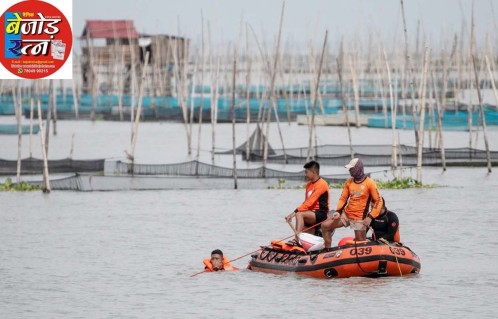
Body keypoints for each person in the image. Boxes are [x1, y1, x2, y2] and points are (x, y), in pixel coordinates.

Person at [321, 158, 383, 248]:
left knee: (360, 244)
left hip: (360, 218)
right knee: (325, 226)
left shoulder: (370, 183)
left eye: (351, 168)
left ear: (358, 168)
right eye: (349, 169)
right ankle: (327, 251)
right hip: (346, 214)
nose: (349, 170)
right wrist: (338, 212)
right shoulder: (349, 182)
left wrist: (370, 217)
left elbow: (378, 201)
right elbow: (343, 199)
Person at [285, 160, 330, 239]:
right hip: (310, 214)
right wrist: (294, 213)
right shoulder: (308, 185)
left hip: (321, 214)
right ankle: (301, 239)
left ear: (313, 172)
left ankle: (297, 240)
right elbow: (306, 202)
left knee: (299, 214)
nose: (305, 175)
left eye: (306, 172)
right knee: (305, 236)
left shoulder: (322, 184)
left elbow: (309, 203)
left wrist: (293, 214)